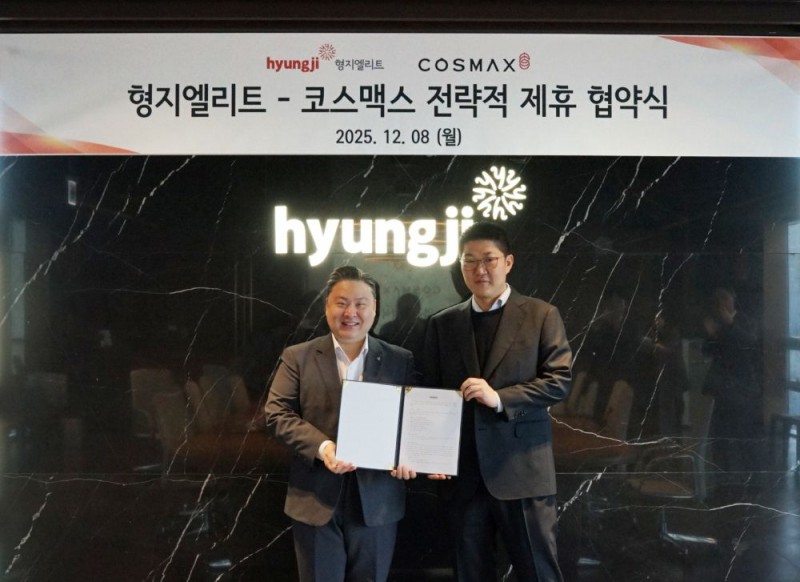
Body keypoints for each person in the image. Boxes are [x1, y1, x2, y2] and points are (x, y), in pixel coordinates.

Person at [423, 222, 572, 582]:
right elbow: (429, 393)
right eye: (469, 260)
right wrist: (429, 454)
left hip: (522, 471)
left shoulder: (541, 315)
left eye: (489, 259)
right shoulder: (443, 323)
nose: (480, 269)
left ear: (508, 262)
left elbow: (559, 381)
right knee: (470, 574)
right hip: (463, 476)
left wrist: (500, 398)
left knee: (538, 572)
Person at [265, 266, 417, 582]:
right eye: (342, 303)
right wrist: (323, 448)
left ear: (375, 308)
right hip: (315, 498)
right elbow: (277, 413)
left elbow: (413, 418)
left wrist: (410, 455)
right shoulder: (298, 356)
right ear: (327, 306)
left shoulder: (399, 359)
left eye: (361, 304)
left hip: (377, 500)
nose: (351, 313)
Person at [701, 287, 762, 476]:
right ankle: (723, 478)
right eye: (719, 303)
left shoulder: (745, 322)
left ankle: (751, 477)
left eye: (726, 301)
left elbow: (749, 343)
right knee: (720, 438)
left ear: (732, 302)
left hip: (742, 389)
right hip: (722, 390)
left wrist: (730, 324)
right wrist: (712, 335)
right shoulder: (717, 326)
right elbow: (706, 352)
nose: (723, 306)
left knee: (745, 436)